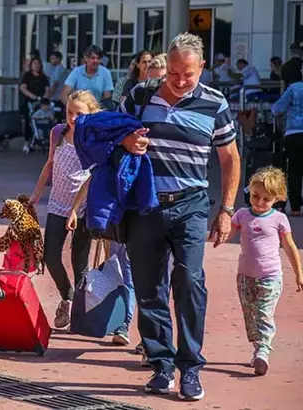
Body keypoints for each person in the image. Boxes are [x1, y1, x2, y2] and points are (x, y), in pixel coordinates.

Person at [120, 32, 240, 401]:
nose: (179, 81)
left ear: (201, 68)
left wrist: (226, 210)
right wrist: (125, 141)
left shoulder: (214, 103)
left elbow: (229, 159)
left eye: (187, 74)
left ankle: (190, 368)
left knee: (189, 281)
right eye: (172, 73)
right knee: (149, 287)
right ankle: (162, 365)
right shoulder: (141, 94)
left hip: (191, 203)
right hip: (146, 205)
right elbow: (111, 132)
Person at [28, 90, 98, 328]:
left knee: (80, 261)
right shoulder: (57, 132)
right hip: (57, 204)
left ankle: (81, 310)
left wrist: (75, 209)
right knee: (50, 256)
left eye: (79, 113)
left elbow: (91, 178)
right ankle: (67, 296)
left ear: (90, 113)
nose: (73, 118)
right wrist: (36, 193)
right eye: (70, 112)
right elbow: (50, 164)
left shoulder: (92, 137)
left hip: (83, 206)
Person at [228, 167, 303, 377]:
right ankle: (257, 347)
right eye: (255, 196)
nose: (260, 203)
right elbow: (227, 233)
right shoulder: (242, 214)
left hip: (270, 277)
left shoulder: (278, 219)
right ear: (249, 191)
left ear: (277, 198)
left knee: (264, 314)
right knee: (250, 316)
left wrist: (299, 273)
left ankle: (263, 351)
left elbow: (289, 246)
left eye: (266, 199)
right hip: (244, 276)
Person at [271, 74, 303, 217]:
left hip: (294, 133)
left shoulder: (294, 88)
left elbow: (277, 109)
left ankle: (295, 207)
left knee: (294, 171)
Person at [19, 57, 50, 153]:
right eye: (35, 63)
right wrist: (32, 96)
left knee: (44, 119)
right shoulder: (27, 76)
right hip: (29, 101)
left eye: (38, 64)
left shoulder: (43, 77)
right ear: (31, 65)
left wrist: (45, 98)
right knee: (29, 120)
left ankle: (42, 138)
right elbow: (23, 88)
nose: (37, 65)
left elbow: (47, 89)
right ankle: (26, 142)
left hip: (41, 101)